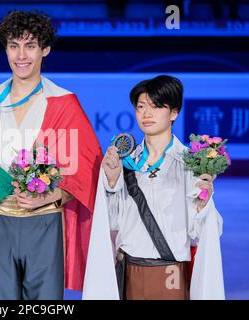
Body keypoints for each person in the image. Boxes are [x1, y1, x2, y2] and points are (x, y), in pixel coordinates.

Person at [0, 10, 103, 300]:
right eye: (13, 45)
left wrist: (53, 196)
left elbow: (85, 170)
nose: (21, 55)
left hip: (45, 221)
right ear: (5, 49)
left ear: (45, 49)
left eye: (30, 45)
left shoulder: (63, 102)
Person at [83, 75, 225, 300]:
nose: (147, 114)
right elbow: (110, 222)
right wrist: (111, 182)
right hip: (128, 272)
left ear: (174, 113)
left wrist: (203, 205)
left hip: (169, 275)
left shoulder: (190, 164)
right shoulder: (124, 161)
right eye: (141, 107)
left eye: (157, 106)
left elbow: (209, 231)